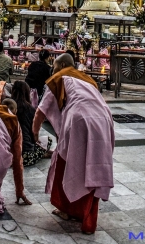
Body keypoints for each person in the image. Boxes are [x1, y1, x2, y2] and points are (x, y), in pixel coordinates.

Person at [32, 53, 114, 235]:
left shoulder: (59, 78)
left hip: (79, 118)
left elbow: (41, 111)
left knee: (66, 163)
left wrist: (35, 134)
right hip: (104, 119)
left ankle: (66, 209)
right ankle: (84, 210)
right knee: (93, 166)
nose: (52, 70)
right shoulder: (88, 80)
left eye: (54, 66)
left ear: (61, 65)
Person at [11, 80, 52, 166]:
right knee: (48, 140)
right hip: (25, 157)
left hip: (8, 156)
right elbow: (34, 134)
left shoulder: (6, 107)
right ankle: (41, 154)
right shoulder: (30, 109)